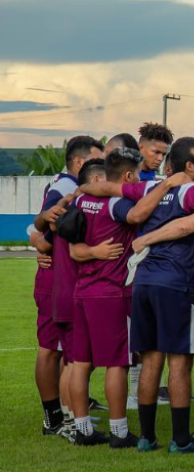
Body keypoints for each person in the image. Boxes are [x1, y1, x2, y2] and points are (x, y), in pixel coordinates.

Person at [80, 136, 194, 453]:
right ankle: (181, 440)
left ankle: (146, 438)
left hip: (142, 282)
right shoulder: (190, 190)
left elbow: (105, 188)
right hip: (175, 285)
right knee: (179, 365)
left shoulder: (147, 188)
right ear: (190, 165)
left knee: (150, 362)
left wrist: (78, 192)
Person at [65, 150, 180, 447]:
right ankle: (118, 432)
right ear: (128, 176)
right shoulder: (116, 203)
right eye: (139, 174)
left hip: (83, 290)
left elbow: (73, 247)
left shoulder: (81, 199)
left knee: (81, 363)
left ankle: (83, 429)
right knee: (118, 363)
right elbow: (138, 215)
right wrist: (165, 186)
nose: (141, 179)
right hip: (111, 292)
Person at [33, 135, 105, 441]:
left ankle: (69, 413)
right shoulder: (67, 188)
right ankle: (58, 418)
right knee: (56, 350)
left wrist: (41, 238)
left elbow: (41, 231)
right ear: (81, 163)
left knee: (70, 353)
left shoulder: (69, 190)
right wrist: (42, 237)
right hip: (59, 280)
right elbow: (44, 226)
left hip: (62, 278)